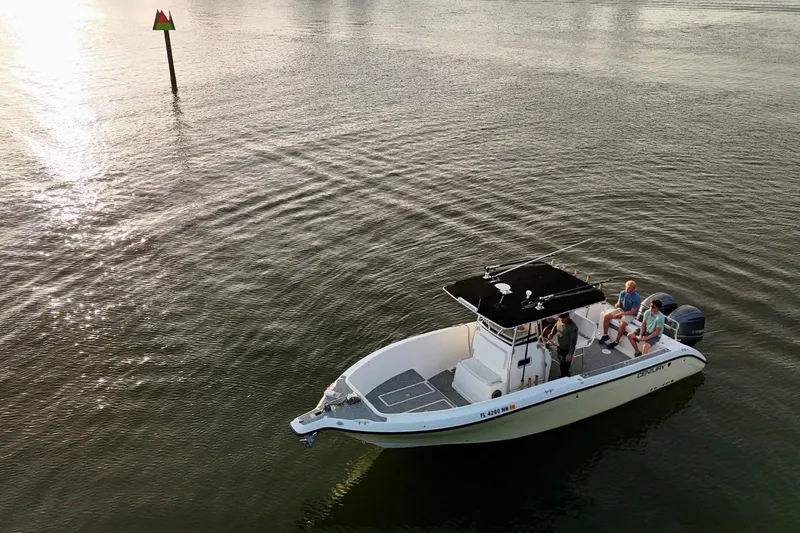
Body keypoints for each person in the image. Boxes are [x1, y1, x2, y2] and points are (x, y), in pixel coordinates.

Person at [599, 280, 641, 350]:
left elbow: (632, 311)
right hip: (621, 309)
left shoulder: (637, 298)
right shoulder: (623, 293)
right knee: (606, 317)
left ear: (633, 289)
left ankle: (616, 341)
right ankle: (605, 335)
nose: (627, 289)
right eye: (626, 287)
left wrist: (621, 314)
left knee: (622, 324)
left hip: (630, 314)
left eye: (629, 288)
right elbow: (619, 302)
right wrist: (617, 304)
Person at [547, 312, 578, 378]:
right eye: (560, 318)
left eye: (563, 319)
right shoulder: (560, 319)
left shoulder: (573, 327)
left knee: (565, 367)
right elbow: (556, 325)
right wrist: (551, 333)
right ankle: (562, 375)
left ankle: (566, 377)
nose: (561, 320)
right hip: (560, 346)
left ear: (568, 317)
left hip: (566, 350)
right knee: (561, 363)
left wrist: (569, 354)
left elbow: (573, 343)